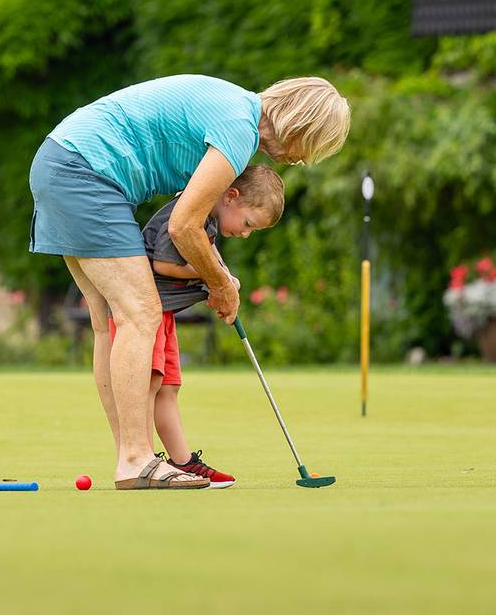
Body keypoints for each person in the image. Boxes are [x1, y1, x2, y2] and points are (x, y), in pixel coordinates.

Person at [30, 75, 349, 489]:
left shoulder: (235, 109)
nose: (301, 160)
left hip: (62, 160)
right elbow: (184, 226)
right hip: (85, 172)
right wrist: (221, 284)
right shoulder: (239, 128)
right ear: (300, 125)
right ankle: (135, 459)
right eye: (310, 147)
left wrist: (216, 278)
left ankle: (133, 457)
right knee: (140, 313)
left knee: (106, 320)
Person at [121, 164, 285, 489]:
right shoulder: (188, 215)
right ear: (231, 197)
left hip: (162, 312)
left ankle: (183, 463)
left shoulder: (208, 222)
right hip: (143, 309)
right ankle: (142, 460)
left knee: (168, 387)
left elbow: (208, 262)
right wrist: (210, 279)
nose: (245, 232)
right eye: (248, 223)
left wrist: (222, 279)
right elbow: (163, 263)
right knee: (150, 384)